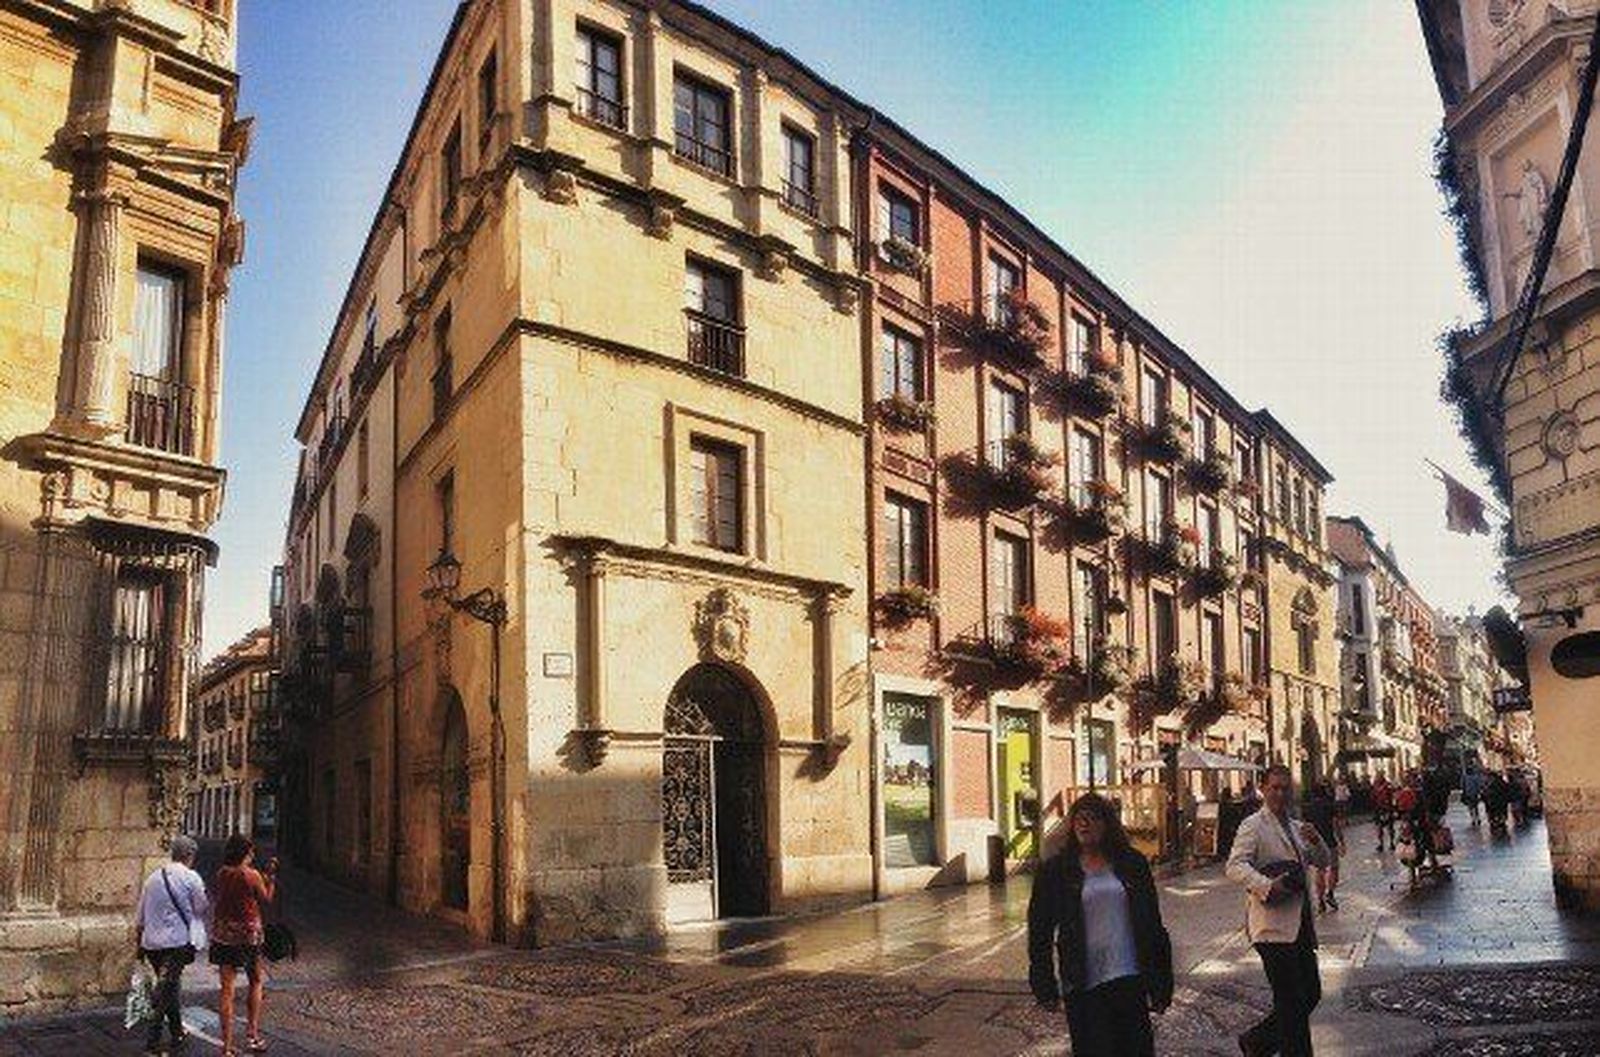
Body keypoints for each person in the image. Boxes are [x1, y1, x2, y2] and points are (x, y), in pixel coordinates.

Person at [1028, 793, 1174, 1057]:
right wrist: (1044, 983)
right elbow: (1040, 930)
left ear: (1107, 824)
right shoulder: (1057, 871)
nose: (1084, 824)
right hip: (1083, 980)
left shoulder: (1132, 864)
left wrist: (1162, 982)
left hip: (1129, 975)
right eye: (1079, 819)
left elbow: (1152, 924)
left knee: (1136, 1049)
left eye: (1092, 818)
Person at [1227, 763, 1331, 1057]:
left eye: (1285, 788)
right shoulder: (1254, 825)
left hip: (1300, 925)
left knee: (1310, 993)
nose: (1280, 793)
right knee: (1291, 1002)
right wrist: (1267, 886)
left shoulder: (1298, 827)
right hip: (1271, 926)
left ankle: (1257, 1042)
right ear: (1263, 789)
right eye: (1274, 787)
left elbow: (1322, 861)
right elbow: (1234, 866)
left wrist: (1316, 839)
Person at [134, 835, 209, 1056]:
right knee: (165, 990)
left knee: (170, 986)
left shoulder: (153, 878)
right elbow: (201, 907)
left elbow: (140, 916)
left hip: (152, 944)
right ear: (189, 856)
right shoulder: (191, 877)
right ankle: (152, 1042)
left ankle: (176, 1031)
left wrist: (138, 944)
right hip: (176, 943)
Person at [211, 834, 278, 1056]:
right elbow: (266, 898)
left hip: (223, 935)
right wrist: (271, 879)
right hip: (249, 936)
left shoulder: (221, 873)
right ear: (245, 853)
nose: (252, 856)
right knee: (256, 980)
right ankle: (252, 1035)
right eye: (250, 853)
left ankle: (227, 1047)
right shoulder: (251, 875)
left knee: (226, 990)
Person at [1303, 781, 1342, 912]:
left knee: (1320, 870)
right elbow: (1336, 825)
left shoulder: (1307, 808)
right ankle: (1330, 893)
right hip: (1330, 841)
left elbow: (1305, 827)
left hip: (1315, 843)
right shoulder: (1330, 806)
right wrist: (1341, 841)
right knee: (1334, 868)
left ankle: (1320, 900)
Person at [1371, 774, 1395, 852]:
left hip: (1383, 809)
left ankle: (1387, 843)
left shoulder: (1381, 787)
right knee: (1384, 827)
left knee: (1384, 827)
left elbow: (1373, 798)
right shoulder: (1385, 786)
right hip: (1383, 809)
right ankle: (1387, 843)